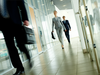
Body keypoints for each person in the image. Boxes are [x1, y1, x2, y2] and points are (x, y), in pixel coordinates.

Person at [0, 0, 32, 75]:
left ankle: (27, 54)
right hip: (4, 24)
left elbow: (21, 5)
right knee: (10, 47)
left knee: (20, 44)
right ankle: (19, 68)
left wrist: (25, 18)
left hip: (15, 22)